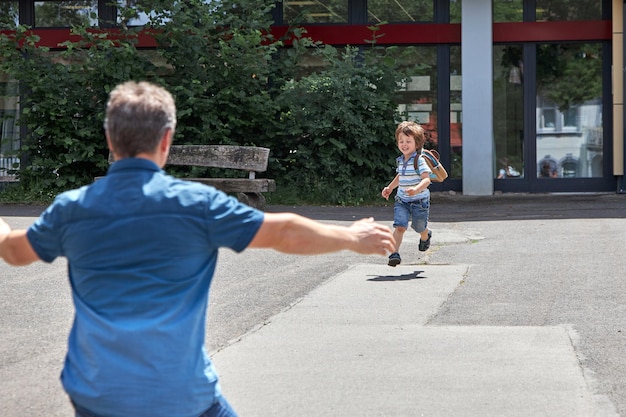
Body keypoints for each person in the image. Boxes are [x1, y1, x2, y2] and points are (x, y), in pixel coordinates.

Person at [0, 81, 396, 417]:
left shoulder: (72, 208)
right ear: (167, 140)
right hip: (178, 394)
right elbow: (285, 232)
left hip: (95, 392)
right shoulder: (195, 204)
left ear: (109, 139)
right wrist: (350, 237)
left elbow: (14, 252)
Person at [380, 121, 432, 267]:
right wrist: (390, 187)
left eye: (408, 141)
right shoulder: (401, 160)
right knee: (400, 226)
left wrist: (416, 189)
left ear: (417, 143)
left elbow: (426, 179)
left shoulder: (419, 160)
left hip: (419, 201)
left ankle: (425, 236)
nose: (404, 144)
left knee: (419, 227)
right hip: (402, 200)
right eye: (401, 141)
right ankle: (394, 254)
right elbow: (400, 177)